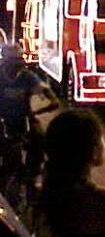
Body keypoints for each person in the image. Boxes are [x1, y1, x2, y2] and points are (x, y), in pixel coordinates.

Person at [0, 44, 60, 206]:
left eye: (20, 59)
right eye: (14, 60)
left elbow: (48, 94)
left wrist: (45, 106)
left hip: (22, 120)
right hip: (2, 121)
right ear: (5, 61)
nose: (18, 64)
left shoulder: (27, 77)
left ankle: (32, 178)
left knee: (39, 139)